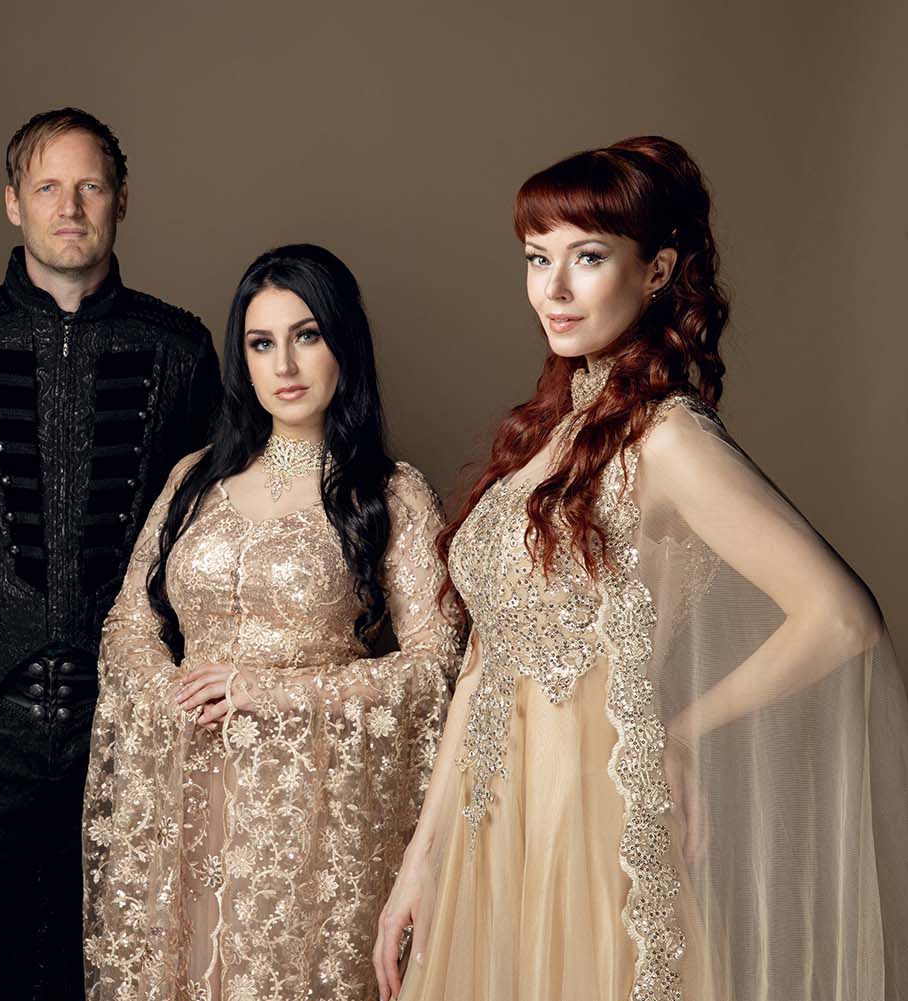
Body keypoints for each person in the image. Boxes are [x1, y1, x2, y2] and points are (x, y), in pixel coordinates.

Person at [375, 136, 908, 1001]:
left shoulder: (667, 438)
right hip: (493, 824)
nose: (554, 288)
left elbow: (841, 616)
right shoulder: (551, 437)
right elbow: (484, 662)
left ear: (657, 270)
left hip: (590, 815)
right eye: (537, 258)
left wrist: (684, 733)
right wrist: (421, 858)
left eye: (587, 258)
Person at [0, 107, 222, 1000]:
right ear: (14, 203)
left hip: (126, 722)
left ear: (122, 200)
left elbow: (213, 535)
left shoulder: (180, 349)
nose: (69, 206)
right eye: (47, 186)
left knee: (116, 966)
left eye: (90, 186)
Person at [84, 244, 465, 1000]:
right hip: (183, 805)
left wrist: (271, 693)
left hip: (307, 822)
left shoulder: (388, 494)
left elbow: (439, 661)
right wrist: (175, 693)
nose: (284, 365)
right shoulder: (196, 478)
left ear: (344, 343)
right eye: (261, 343)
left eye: (307, 335)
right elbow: (128, 623)